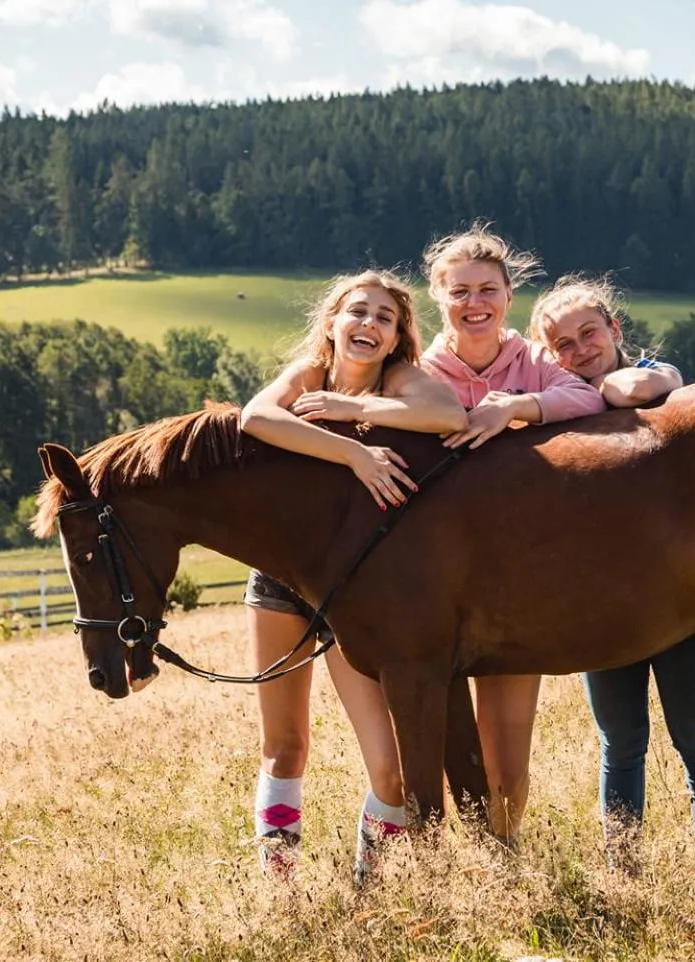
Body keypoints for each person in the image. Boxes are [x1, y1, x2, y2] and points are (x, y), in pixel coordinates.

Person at [237, 269, 466, 877]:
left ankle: (371, 893)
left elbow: (450, 414)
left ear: (396, 339)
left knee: (390, 769)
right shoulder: (307, 376)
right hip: (281, 583)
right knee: (285, 749)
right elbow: (255, 418)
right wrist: (355, 451)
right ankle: (280, 886)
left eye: (384, 318)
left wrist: (352, 409)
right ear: (333, 322)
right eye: (357, 312)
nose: (369, 324)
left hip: (354, 592)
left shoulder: (402, 381)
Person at [528, 274, 695, 869]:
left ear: (615, 329)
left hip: (685, 592)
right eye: (562, 345)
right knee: (621, 746)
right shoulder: (557, 405)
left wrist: (578, 387)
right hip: (601, 603)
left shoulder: (656, 377)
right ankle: (625, 869)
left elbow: (637, 386)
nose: (580, 349)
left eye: (588, 332)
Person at [418, 225, 607, 844]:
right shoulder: (418, 374)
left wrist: (513, 407)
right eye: (461, 291)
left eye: (489, 290)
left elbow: (587, 399)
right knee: (428, 748)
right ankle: (447, 857)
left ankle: (505, 858)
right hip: (432, 581)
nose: (476, 303)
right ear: (438, 297)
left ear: (508, 295)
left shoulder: (535, 363)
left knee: (508, 754)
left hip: (512, 585)